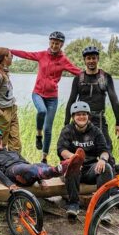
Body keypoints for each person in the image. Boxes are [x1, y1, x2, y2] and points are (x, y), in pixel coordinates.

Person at [11, 31, 80, 163]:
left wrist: (92, 74)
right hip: (37, 93)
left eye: (57, 44)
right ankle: (38, 134)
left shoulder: (63, 60)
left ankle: (44, 158)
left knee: (48, 129)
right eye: (52, 43)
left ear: (61, 45)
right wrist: (11, 51)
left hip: (52, 98)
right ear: (50, 42)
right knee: (41, 111)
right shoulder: (42, 55)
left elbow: (76, 71)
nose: (54, 46)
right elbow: (27, 54)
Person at [57, 101, 114, 219]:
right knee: (73, 165)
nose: (81, 117)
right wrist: (74, 158)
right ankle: (73, 204)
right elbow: (61, 150)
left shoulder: (96, 131)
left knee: (106, 168)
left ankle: (101, 208)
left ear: (88, 116)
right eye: (78, 114)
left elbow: (104, 150)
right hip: (72, 170)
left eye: (84, 114)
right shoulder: (67, 130)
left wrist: (103, 159)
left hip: (90, 170)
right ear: (73, 117)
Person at [64, 45, 119, 151]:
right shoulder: (78, 79)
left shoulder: (105, 77)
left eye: (93, 58)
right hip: (81, 119)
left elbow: (114, 101)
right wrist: (66, 124)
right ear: (84, 60)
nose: (91, 61)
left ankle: (108, 166)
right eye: (88, 58)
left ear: (98, 59)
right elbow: (71, 101)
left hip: (98, 119)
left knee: (106, 148)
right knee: (72, 148)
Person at [0, 127, 84, 190]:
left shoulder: (13, 152)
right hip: (13, 172)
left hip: (26, 172)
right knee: (27, 167)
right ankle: (65, 166)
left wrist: (40, 180)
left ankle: (65, 169)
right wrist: (10, 184)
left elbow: (28, 163)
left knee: (41, 165)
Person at [0, 47, 21, 152]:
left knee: (16, 145)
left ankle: (14, 167)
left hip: (12, 109)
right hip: (1, 112)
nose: (12, 58)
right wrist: (2, 114)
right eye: (11, 56)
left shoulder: (4, 73)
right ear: (5, 58)